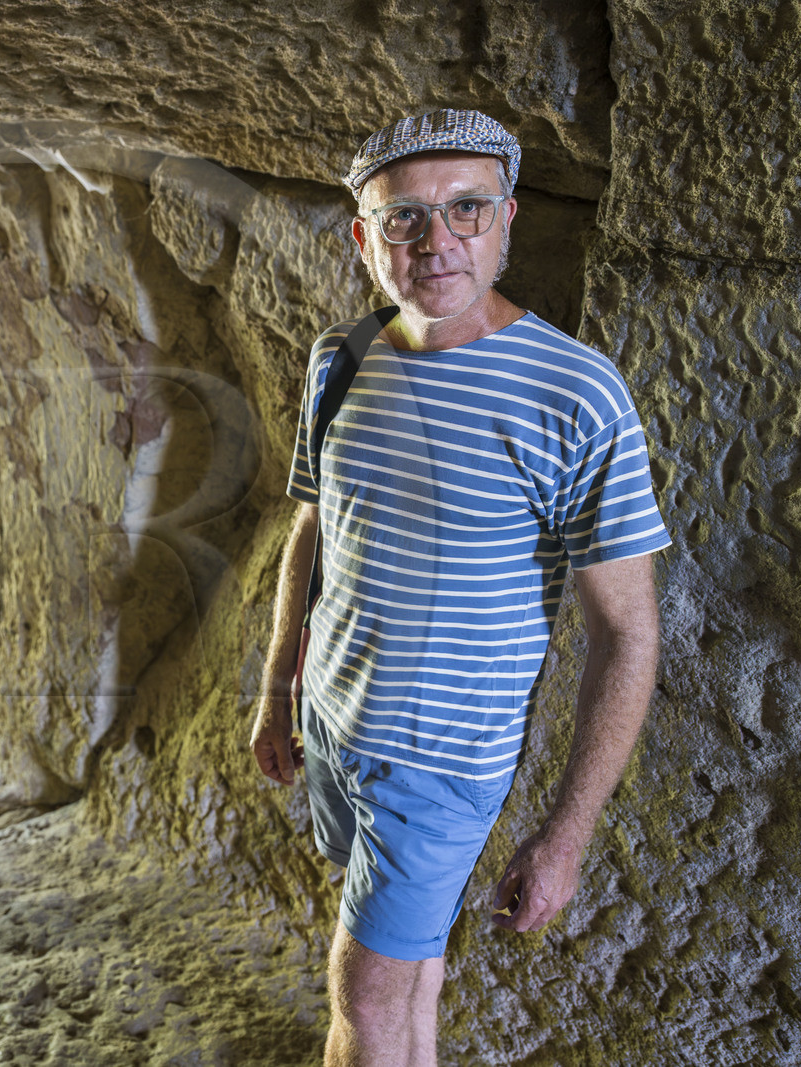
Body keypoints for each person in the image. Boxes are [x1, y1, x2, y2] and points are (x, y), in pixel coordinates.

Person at [249, 109, 672, 1067]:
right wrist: (280, 691)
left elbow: (627, 633)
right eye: (404, 219)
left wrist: (566, 836)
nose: (437, 241)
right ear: (364, 238)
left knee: (363, 993)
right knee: (405, 977)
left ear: (508, 219)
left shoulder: (578, 393)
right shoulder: (340, 359)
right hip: (334, 730)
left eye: (467, 209)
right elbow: (312, 532)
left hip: (442, 764)